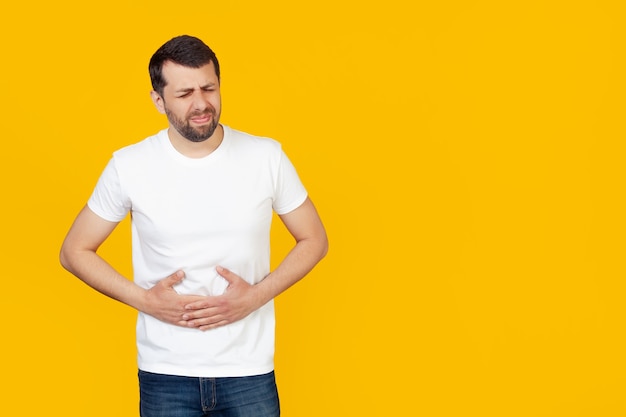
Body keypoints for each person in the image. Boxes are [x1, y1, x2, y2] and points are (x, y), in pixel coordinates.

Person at [60, 34, 328, 417]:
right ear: (159, 100)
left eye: (209, 88)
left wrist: (254, 297)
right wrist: (146, 300)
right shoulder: (130, 165)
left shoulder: (266, 156)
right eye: (185, 93)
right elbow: (74, 251)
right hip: (166, 373)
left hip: (248, 371)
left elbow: (314, 239)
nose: (201, 103)